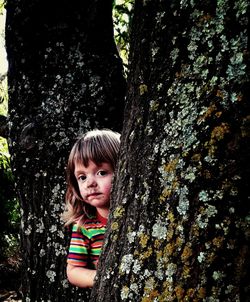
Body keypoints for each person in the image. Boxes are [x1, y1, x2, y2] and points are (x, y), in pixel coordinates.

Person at [62, 129, 120, 288]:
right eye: (82, 177)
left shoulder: (136, 217)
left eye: (101, 173)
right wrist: (101, 278)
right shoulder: (84, 226)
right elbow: (73, 270)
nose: (90, 183)